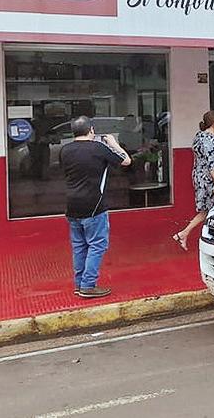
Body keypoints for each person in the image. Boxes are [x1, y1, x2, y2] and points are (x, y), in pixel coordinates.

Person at [59, 116, 131, 299]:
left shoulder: (65, 150)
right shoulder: (98, 148)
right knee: (97, 245)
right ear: (91, 130)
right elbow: (126, 161)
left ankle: (79, 284)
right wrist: (113, 143)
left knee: (79, 246)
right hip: (94, 205)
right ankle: (88, 285)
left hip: (72, 204)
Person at [174, 111, 214, 251]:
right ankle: (208, 237)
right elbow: (211, 163)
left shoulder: (199, 137)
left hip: (201, 177)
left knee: (207, 210)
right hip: (209, 180)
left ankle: (184, 233)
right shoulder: (208, 140)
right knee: (213, 209)